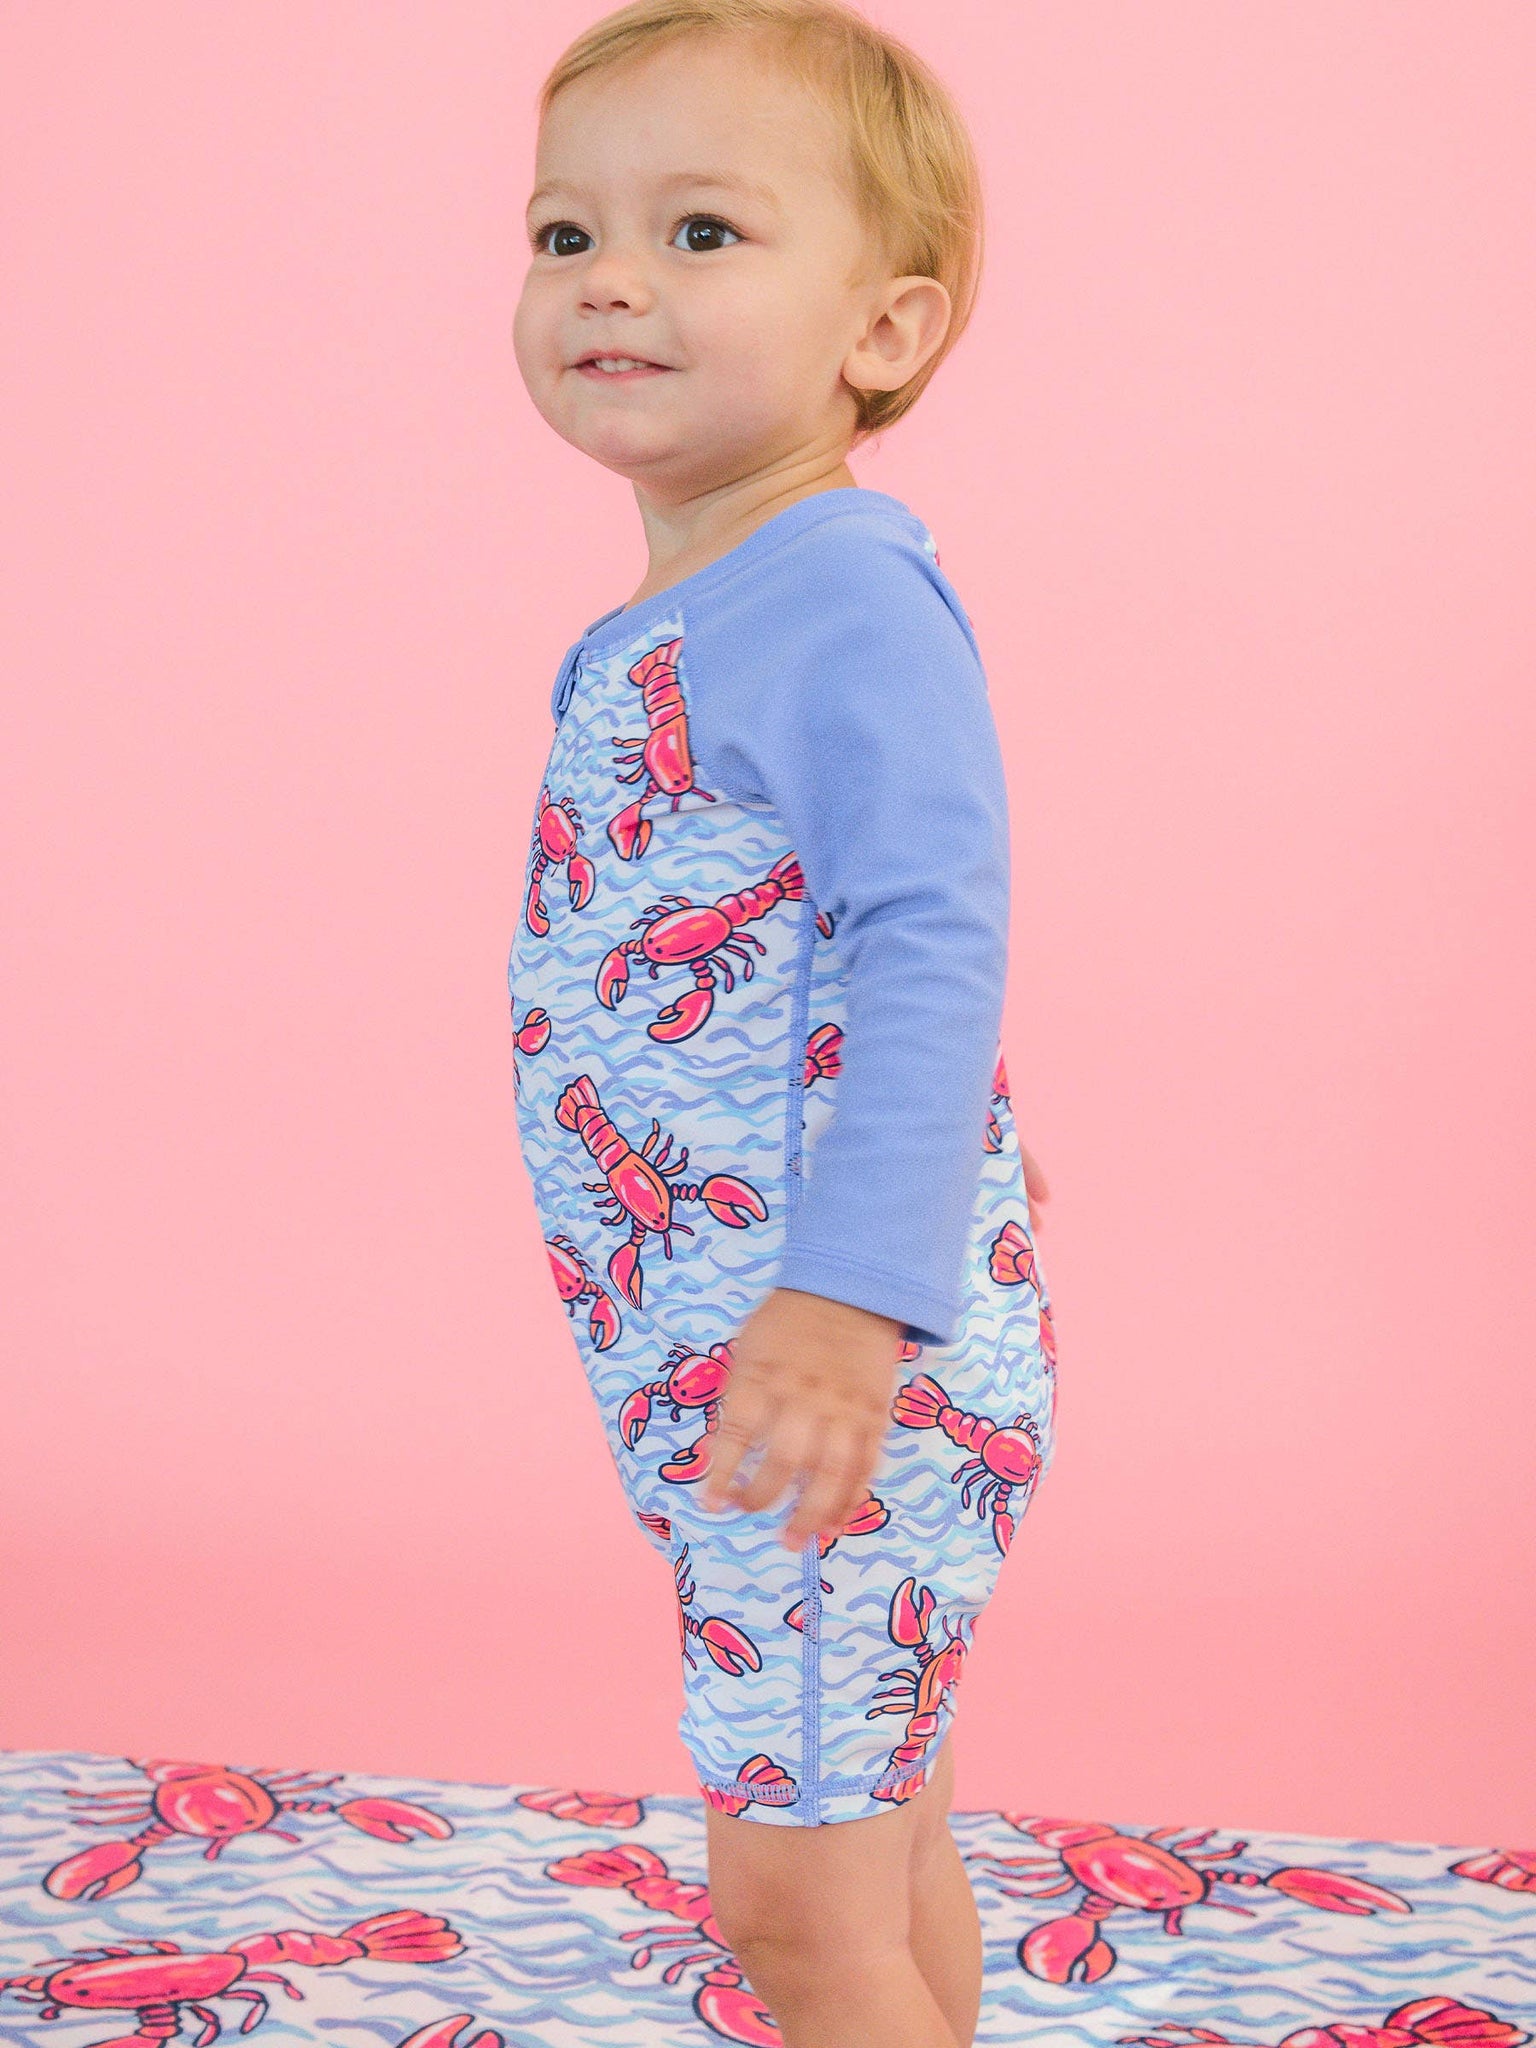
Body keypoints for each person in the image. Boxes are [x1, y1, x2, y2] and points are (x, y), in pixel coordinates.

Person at [508, 3, 1058, 2041]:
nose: (610, 279)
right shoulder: (706, 602)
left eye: (703, 231)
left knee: (794, 1905)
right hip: (775, 1365)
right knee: (877, 1836)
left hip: (822, 1377)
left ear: (883, 332)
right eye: (565, 234)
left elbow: (932, 926)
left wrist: (856, 1290)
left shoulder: (838, 594)